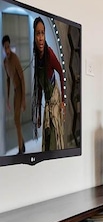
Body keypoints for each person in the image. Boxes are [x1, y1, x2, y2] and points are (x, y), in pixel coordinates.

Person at [32, 17, 65, 151]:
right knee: (47, 136)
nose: (41, 37)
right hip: (47, 103)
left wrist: (63, 101)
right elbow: (39, 88)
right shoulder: (37, 58)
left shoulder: (49, 53)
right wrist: (39, 114)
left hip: (55, 100)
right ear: (34, 36)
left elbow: (61, 73)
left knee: (54, 135)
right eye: (38, 33)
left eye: (43, 33)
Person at [2, 35, 26, 153]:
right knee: (16, 121)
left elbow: (22, 78)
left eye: (8, 47)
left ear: (10, 46)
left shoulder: (15, 58)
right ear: (3, 48)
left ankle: (21, 148)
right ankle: (23, 143)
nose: (7, 50)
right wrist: (7, 99)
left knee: (16, 120)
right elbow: (7, 80)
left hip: (20, 91)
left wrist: (23, 100)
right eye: (5, 48)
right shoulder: (5, 62)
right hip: (15, 93)